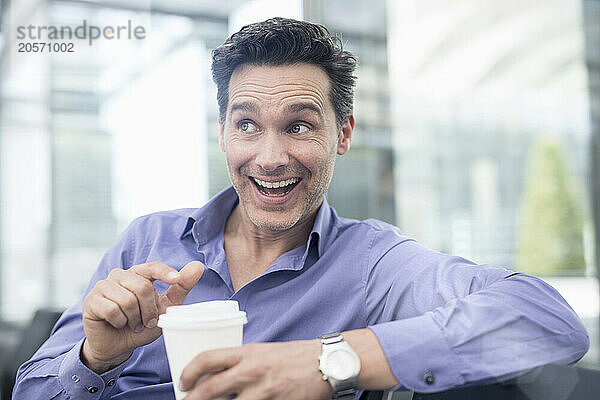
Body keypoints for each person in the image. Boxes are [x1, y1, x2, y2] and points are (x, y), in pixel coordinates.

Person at [14, 17, 589, 400]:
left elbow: (545, 319)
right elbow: (31, 392)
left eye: (299, 125)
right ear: (222, 133)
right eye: (247, 125)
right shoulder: (149, 241)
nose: (269, 157)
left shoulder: (373, 264)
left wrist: (332, 359)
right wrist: (95, 358)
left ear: (342, 135)